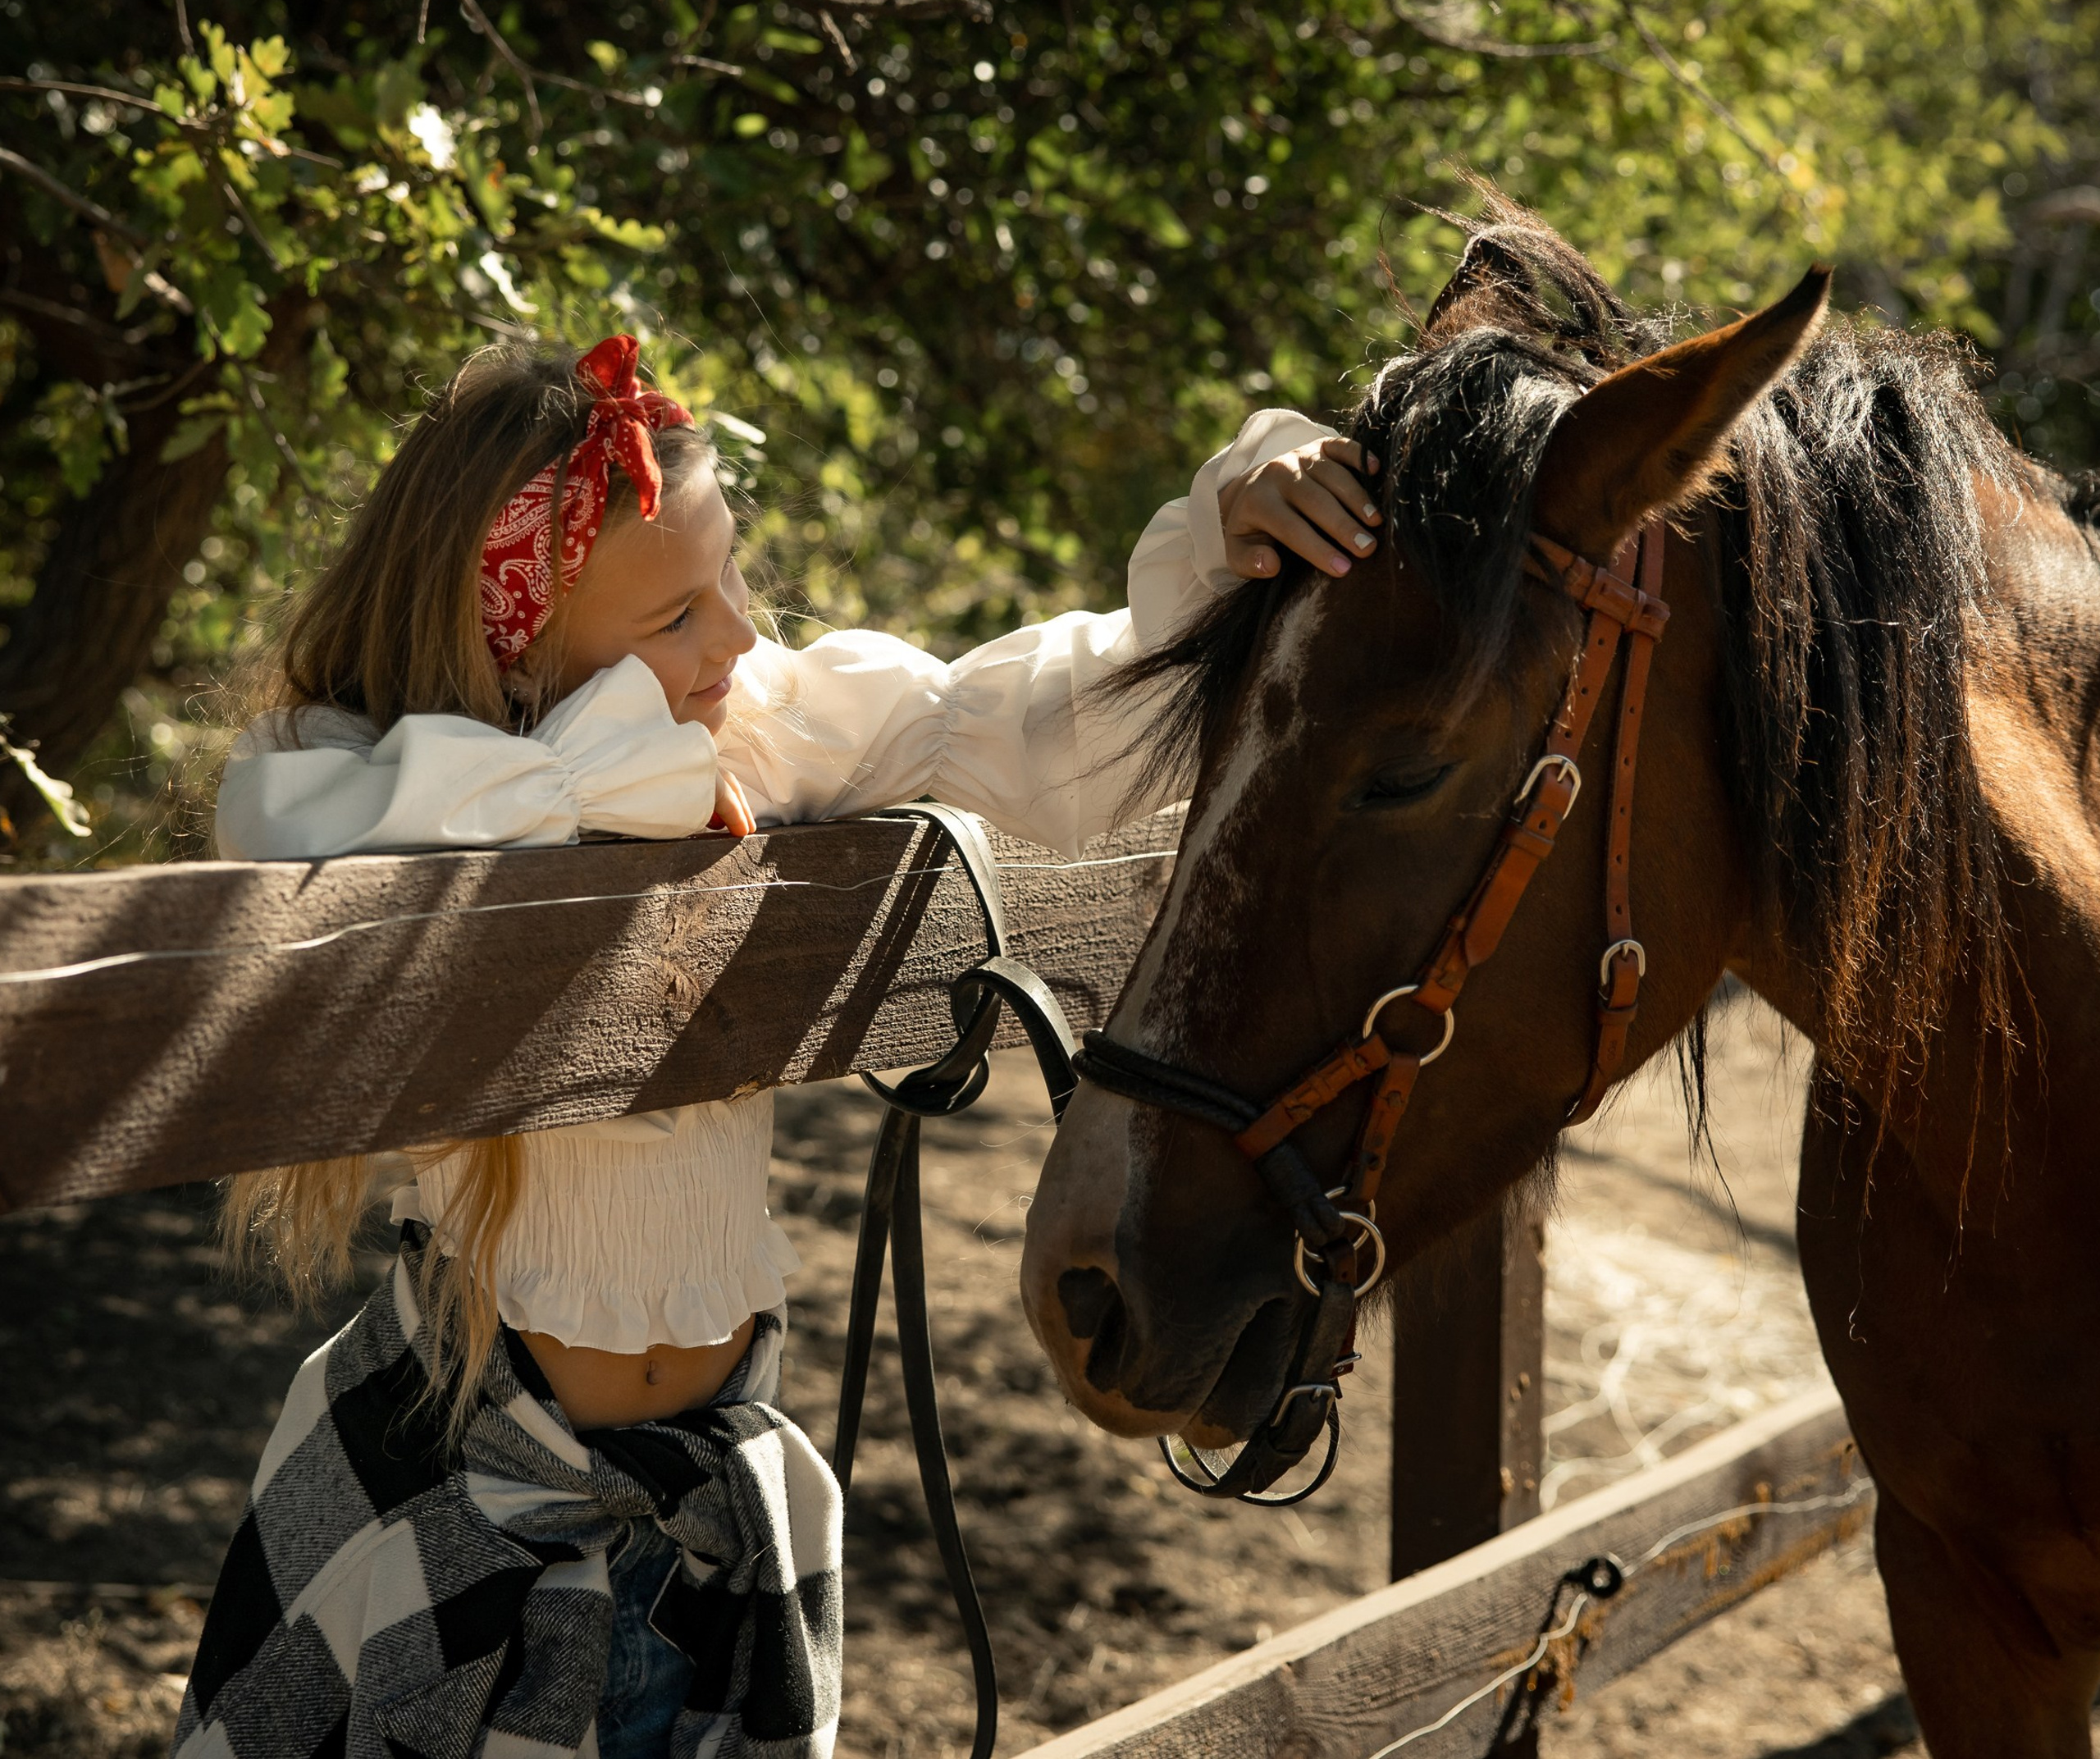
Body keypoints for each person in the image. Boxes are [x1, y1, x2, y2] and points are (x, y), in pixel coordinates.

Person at [176, 334, 1375, 1759]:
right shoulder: (391, 777)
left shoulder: (757, 730)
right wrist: (586, 770)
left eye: (732, 573)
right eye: (676, 611)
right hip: (464, 1474)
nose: (737, 633)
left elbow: (1043, 729)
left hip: (710, 1497)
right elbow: (278, 825)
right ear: (509, 638)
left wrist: (1227, 536)